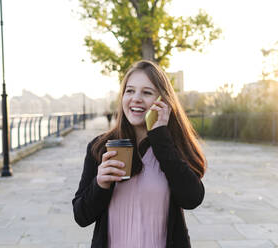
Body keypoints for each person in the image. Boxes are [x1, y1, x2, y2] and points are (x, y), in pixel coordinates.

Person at [72, 60, 206, 248]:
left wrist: (160, 138)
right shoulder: (100, 147)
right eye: (130, 91)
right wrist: (100, 184)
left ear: (162, 101)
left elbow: (192, 198)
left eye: (147, 92)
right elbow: (81, 216)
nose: (136, 98)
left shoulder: (172, 147)